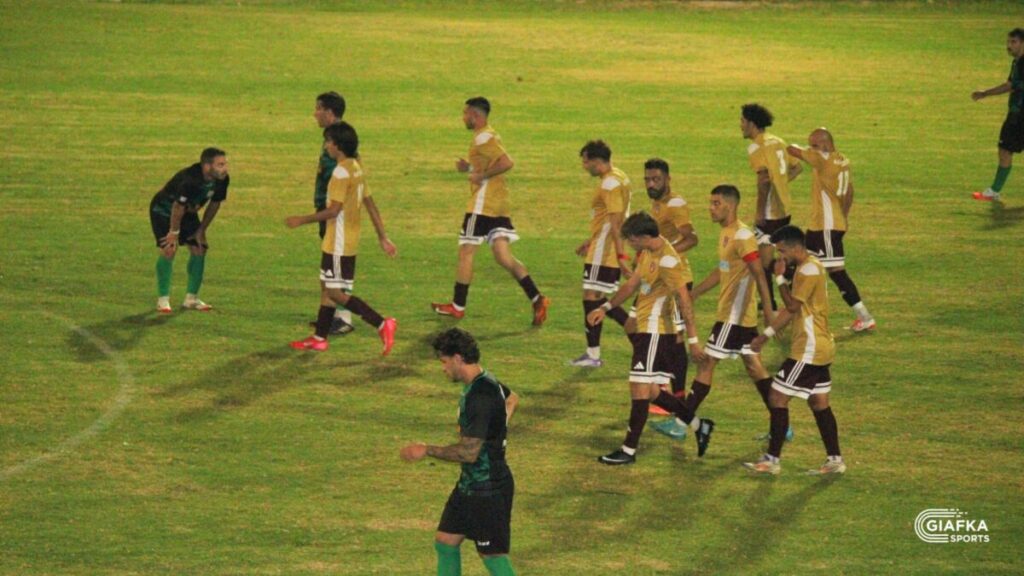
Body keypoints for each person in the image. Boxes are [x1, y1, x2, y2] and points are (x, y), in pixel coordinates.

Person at [652, 185, 779, 452]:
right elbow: (723, 270)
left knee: (706, 363)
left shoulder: (742, 236)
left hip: (733, 316)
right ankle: (781, 422)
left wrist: (769, 312)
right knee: (754, 367)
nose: (710, 208)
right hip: (736, 315)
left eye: (716, 203)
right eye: (711, 202)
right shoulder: (726, 233)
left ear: (730, 206)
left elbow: (759, 273)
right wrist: (694, 293)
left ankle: (681, 423)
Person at [587, 212, 708, 465]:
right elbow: (632, 284)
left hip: (656, 331)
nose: (630, 244)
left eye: (631, 240)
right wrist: (605, 308)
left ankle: (628, 450)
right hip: (645, 329)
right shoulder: (648, 252)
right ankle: (698, 424)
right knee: (650, 390)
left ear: (643, 236)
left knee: (639, 388)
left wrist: (694, 339)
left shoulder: (668, 261)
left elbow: (684, 300)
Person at [400, 328, 519, 576]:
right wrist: (497, 428)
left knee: (492, 555)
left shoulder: (480, 396)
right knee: (446, 541)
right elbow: (511, 399)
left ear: (457, 358)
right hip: (470, 484)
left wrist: (427, 450)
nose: (443, 368)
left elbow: (468, 453)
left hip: (488, 489)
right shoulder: (487, 381)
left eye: (444, 362)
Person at [431, 97, 550, 326]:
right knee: (503, 256)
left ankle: (457, 306)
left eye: (465, 113)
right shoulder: (488, 135)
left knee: (466, 251)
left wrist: (482, 175)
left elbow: (506, 162)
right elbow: (490, 163)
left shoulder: (483, 137)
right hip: (499, 203)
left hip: (483, 204)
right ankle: (537, 298)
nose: (463, 117)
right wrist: (469, 167)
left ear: (475, 115)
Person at [285, 121, 397, 355]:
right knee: (327, 287)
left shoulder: (340, 172)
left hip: (338, 241)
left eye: (328, 142)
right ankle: (319, 338)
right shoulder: (356, 167)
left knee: (335, 293)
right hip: (346, 240)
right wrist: (383, 237)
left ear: (337, 145)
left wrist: (301, 220)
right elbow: (370, 203)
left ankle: (381, 323)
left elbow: (333, 211)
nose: (326, 146)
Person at [745, 226, 845, 475]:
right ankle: (835, 460)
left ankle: (772, 460)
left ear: (794, 247)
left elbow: (791, 307)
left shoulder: (808, 270)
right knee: (819, 403)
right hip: (821, 346)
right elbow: (793, 309)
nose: (779, 257)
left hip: (809, 349)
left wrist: (779, 278)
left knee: (777, 397)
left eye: (781, 251)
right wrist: (767, 334)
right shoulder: (809, 265)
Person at [787, 128, 877, 332]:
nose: (812, 148)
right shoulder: (843, 160)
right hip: (823, 226)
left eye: (815, 145)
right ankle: (798, 315)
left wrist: (803, 148)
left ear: (826, 144)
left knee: (835, 273)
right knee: (799, 265)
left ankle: (864, 317)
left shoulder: (822, 159)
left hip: (825, 228)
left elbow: (791, 149)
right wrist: (843, 216)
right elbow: (849, 190)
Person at [638, 158, 699, 413]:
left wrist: (665, 255)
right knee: (651, 328)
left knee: (674, 337)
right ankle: (663, 386)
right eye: (647, 180)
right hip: (658, 280)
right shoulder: (658, 203)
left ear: (668, 179)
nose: (651, 184)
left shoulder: (674, 204)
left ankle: (676, 395)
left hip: (675, 278)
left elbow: (692, 238)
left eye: (656, 180)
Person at [569, 140, 633, 368]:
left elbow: (616, 222)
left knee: (591, 297)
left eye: (586, 162)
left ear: (597, 161)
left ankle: (593, 355)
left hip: (605, 251)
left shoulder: (610, 184)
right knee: (599, 299)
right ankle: (636, 335)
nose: (584, 166)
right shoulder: (620, 176)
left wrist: (621, 257)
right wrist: (591, 240)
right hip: (602, 245)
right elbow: (611, 219)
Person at [149, 147, 229, 313]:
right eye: (220, 165)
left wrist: (201, 230)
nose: (225, 168)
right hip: (163, 210)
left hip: (186, 211)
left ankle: (191, 299)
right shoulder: (190, 179)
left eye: (225, 164)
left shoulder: (222, 179)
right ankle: (163, 300)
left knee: (199, 247)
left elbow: (215, 204)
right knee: (169, 249)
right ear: (207, 166)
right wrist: (174, 233)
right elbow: (177, 207)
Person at [740, 103, 802, 311]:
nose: (741, 125)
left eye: (743, 121)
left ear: (752, 123)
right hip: (784, 208)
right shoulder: (777, 141)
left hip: (770, 212)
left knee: (762, 262)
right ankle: (779, 296)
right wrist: (781, 183)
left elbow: (764, 180)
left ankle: (774, 301)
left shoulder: (756, 147)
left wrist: (759, 211)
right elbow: (797, 167)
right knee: (771, 256)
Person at [311, 91, 357, 335]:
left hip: (336, 211)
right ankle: (329, 316)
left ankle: (344, 317)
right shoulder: (332, 136)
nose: (315, 113)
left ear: (329, 112)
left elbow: (352, 169)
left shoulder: (341, 140)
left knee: (336, 265)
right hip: (329, 207)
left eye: (318, 109)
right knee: (329, 266)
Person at [971, 28, 1024, 201]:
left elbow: (1010, 86)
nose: (1009, 46)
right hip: (1017, 114)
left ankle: (994, 191)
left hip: (1019, 115)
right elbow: (1010, 84)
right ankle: (994, 191)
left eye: (1013, 42)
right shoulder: (1017, 62)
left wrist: (985, 93)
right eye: (1008, 42)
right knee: (1005, 150)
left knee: (1005, 150)